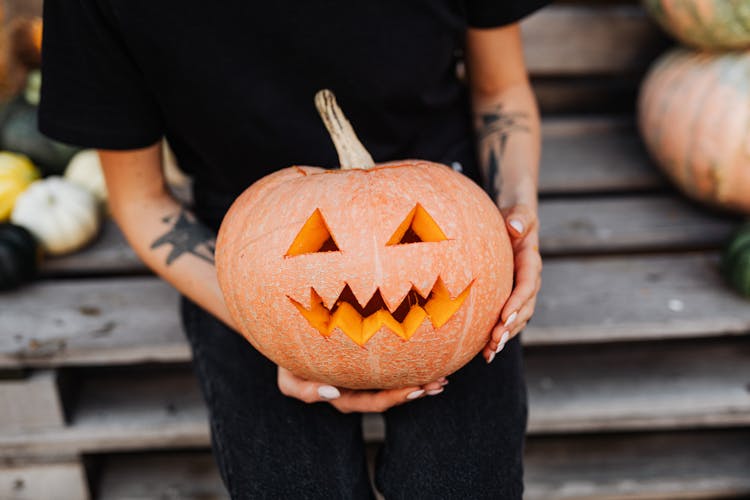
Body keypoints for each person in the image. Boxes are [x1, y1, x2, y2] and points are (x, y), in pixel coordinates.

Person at [40, 1, 547, 498]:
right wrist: (269, 324)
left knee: (460, 485)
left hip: (452, 229)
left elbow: (500, 93)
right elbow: (143, 201)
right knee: (294, 486)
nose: (369, 281)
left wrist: (515, 219)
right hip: (247, 250)